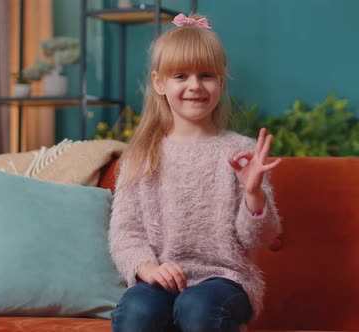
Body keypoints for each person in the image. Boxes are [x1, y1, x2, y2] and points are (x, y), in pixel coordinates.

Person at [109, 13, 282, 332]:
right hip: (160, 278)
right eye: (181, 76)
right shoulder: (141, 156)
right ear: (159, 83)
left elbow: (261, 238)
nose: (195, 86)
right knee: (136, 311)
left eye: (206, 75)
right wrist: (147, 268)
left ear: (221, 82)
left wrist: (253, 194)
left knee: (197, 307)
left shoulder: (239, 152)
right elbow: (125, 232)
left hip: (226, 280)